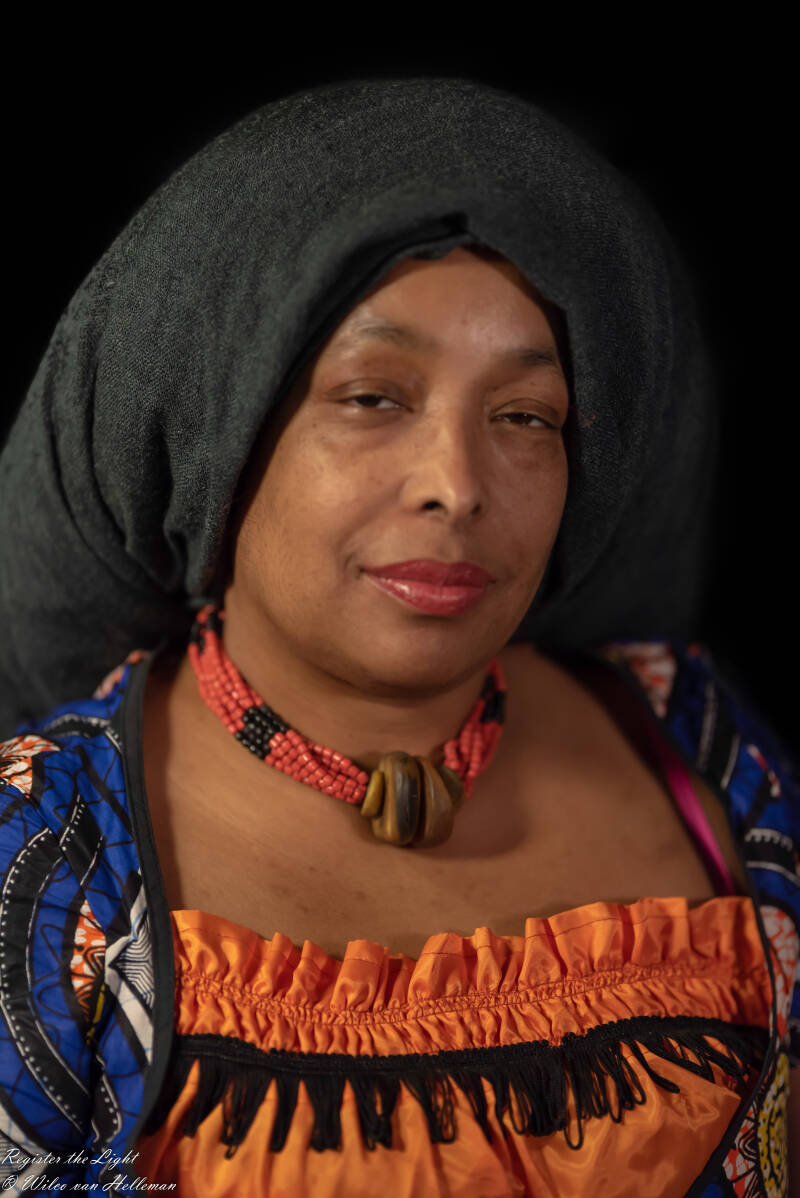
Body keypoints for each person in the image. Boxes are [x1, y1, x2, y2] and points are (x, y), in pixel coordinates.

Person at [0, 77, 797, 1198]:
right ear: (215, 437)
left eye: (524, 416)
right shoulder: (45, 866)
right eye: (373, 397)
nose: (457, 486)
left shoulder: (693, 739)